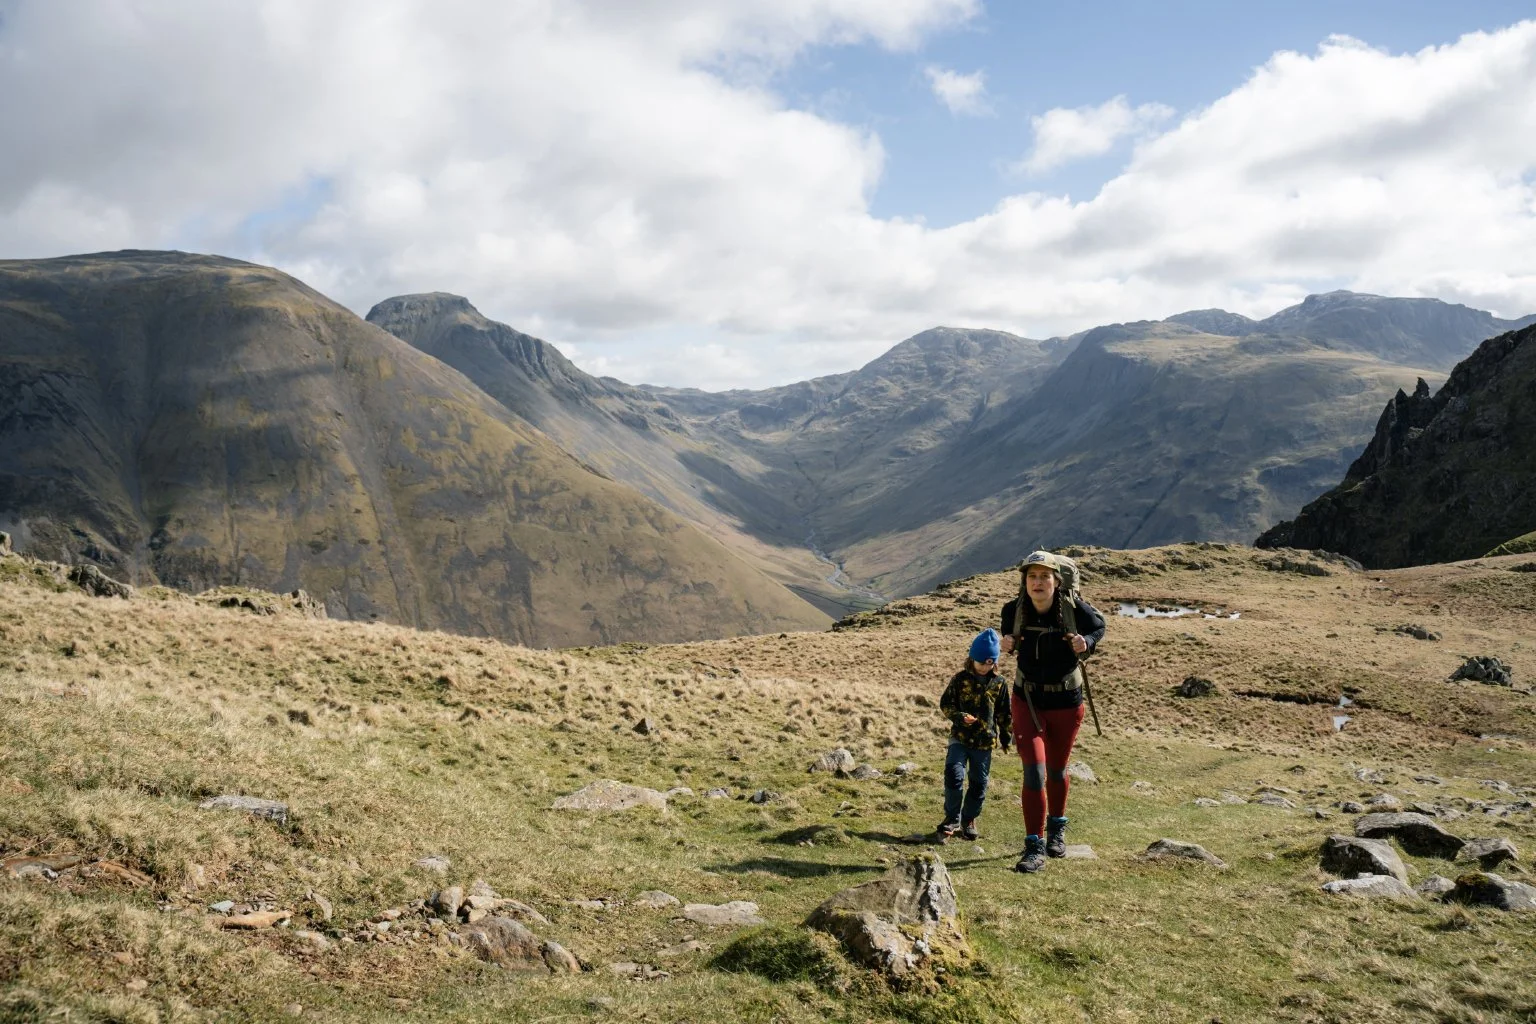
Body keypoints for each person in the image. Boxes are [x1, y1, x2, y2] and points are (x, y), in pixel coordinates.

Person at [1001, 551, 1105, 873]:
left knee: (1057, 770)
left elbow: (1099, 627)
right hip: (1026, 700)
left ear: (1057, 581)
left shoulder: (1076, 610)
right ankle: (1034, 846)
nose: (1037, 582)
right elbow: (1009, 638)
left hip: (1066, 702)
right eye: (1031, 577)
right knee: (1034, 772)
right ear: (1025, 581)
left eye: (1044, 577)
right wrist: (1007, 641)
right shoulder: (1012, 611)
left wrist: (1086, 642)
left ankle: (1057, 828)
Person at [936, 628, 1011, 842]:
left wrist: (1006, 738)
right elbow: (946, 704)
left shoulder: (1000, 683)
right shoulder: (960, 679)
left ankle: (969, 820)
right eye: (981, 662)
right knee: (954, 774)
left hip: (985, 742)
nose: (985, 667)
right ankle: (951, 818)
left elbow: (1004, 713)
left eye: (990, 663)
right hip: (959, 738)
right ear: (972, 658)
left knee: (979, 783)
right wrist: (959, 716)